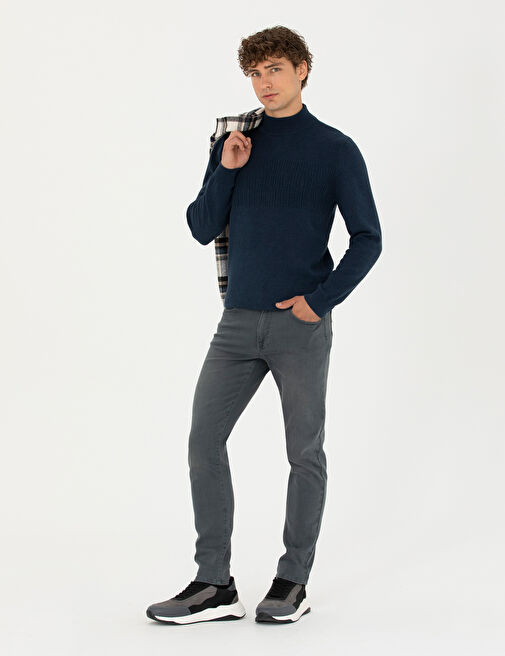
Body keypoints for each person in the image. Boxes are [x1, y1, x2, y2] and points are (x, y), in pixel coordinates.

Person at [146, 24, 382, 626]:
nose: (263, 83)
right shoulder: (234, 140)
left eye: (274, 68)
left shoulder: (335, 149)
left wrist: (319, 301)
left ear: (302, 69)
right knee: (203, 441)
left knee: (304, 452)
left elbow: (368, 239)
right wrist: (227, 168)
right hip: (236, 324)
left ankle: (292, 580)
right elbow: (201, 226)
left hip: (299, 326)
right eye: (254, 72)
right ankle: (214, 583)